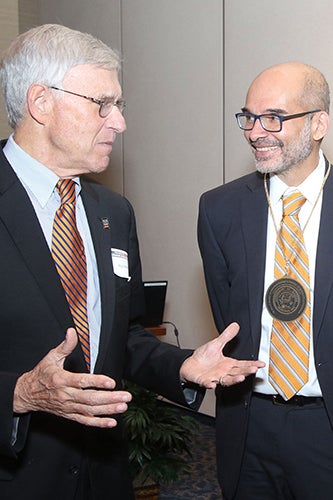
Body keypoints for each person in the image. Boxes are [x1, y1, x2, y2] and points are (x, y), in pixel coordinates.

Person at [0, 24, 264, 500]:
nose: (119, 123)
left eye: (119, 105)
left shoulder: (113, 214)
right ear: (40, 102)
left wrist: (182, 367)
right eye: (102, 104)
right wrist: (19, 394)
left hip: (103, 473)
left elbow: (124, 336)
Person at [198, 60, 333, 500]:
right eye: (249, 118)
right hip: (248, 423)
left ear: (318, 124)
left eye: (274, 117)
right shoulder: (218, 209)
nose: (256, 131)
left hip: (326, 425)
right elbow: (229, 315)